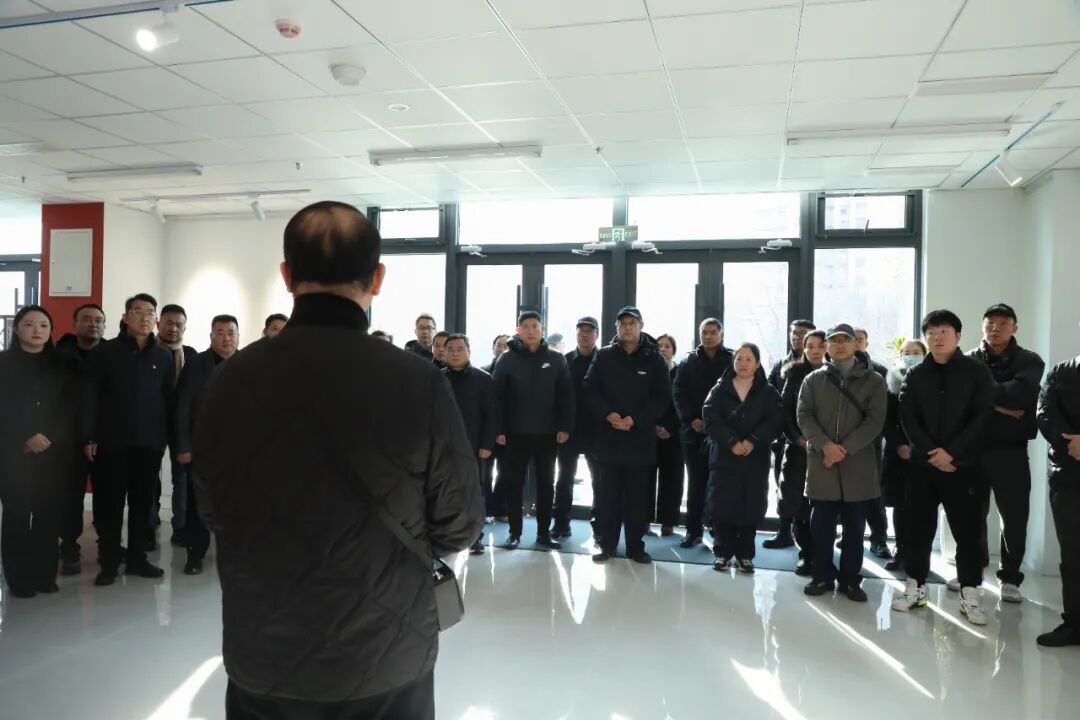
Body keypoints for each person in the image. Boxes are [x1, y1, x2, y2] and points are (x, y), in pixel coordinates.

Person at [193, 201, 483, 719]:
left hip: (266, 644)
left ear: (287, 275)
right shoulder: (417, 381)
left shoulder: (231, 378)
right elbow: (460, 522)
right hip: (386, 647)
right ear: (377, 278)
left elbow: (212, 505)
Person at [892, 310, 995, 626]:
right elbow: (907, 417)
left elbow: (982, 417)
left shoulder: (977, 372)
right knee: (917, 531)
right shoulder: (916, 374)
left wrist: (951, 453)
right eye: (931, 333)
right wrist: (932, 453)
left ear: (958, 336)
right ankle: (916, 588)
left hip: (963, 467)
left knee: (968, 534)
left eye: (944, 332)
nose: (937, 338)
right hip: (923, 468)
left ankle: (970, 594)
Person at [82, 293, 175, 586]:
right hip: (112, 442)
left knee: (142, 504)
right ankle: (109, 562)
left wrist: (163, 438)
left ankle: (137, 558)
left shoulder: (163, 356)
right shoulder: (105, 352)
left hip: (148, 443)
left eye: (150, 312)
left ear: (156, 319)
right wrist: (89, 435)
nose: (145, 317)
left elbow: (167, 399)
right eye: (138, 311)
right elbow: (90, 397)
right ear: (125, 317)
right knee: (110, 504)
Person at [797, 324, 887, 602]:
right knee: (821, 528)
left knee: (855, 529)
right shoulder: (813, 380)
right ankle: (822, 576)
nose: (839, 345)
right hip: (822, 464)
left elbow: (875, 421)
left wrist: (843, 449)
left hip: (857, 465)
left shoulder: (874, 380)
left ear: (854, 345)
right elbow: (804, 415)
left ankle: (850, 580)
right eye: (833, 340)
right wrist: (825, 445)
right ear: (827, 346)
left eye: (844, 340)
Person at [968, 303, 1044, 604]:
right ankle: (971, 570)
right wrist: (1002, 407)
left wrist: (984, 398)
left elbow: (1022, 394)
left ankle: (1010, 578)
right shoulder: (969, 359)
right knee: (971, 514)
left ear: (1015, 328)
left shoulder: (1030, 360)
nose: (995, 328)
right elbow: (963, 399)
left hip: (1010, 450)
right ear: (982, 326)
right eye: (990, 322)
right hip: (972, 449)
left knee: (1013, 517)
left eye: (1003, 323)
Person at [0, 306, 78, 598]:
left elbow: (70, 408)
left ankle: (45, 575)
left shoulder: (64, 364)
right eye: (29, 324)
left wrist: (48, 437)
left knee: (48, 515)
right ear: (16, 328)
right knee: (17, 516)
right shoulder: (3, 363)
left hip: (54, 453)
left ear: (50, 331)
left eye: (43, 325)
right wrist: (24, 437)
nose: (36, 330)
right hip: (13, 453)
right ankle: (19, 579)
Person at [584, 307, 671, 564]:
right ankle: (606, 545)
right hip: (608, 438)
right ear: (617, 328)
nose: (627, 328)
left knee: (637, 498)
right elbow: (590, 387)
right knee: (607, 497)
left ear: (641, 326)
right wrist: (607, 413)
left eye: (632, 323)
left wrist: (636, 419)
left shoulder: (654, 358)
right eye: (623, 324)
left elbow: (662, 397)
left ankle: (635, 547)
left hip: (639, 440)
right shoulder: (604, 356)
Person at [492, 311, 573, 550]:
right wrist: (498, 429)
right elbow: (496, 398)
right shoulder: (507, 358)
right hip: (515, 434)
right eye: (525, 327)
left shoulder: (556, 359)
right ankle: (514, 533)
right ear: (518, 331)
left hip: (547, 434)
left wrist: (565, 427)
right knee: (513, 484)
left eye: (534, 326)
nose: (530, 330)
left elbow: (567, 397)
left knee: (546, 485)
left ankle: (543, 534)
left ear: (542, 329)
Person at [703, 343, 783, 574]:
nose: (743, 363)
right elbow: (710, 417)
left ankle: (745, 555)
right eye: (739, 358)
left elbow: (775, 421)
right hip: (724, 456)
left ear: (757, 364)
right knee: (722, 504)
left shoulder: (768, 392)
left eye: (749, 359)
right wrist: (731, 441)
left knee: (751, 504)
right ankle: (722, 553)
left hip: (754, 457)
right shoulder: (720, 388)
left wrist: (752, 441)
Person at [174, 315, 240, 576]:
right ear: (211, 336)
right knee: (197, 504)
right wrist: (183, 445)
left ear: (238, 336)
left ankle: (233, 554)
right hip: (201, 448)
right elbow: (182, 406)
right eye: (220, 333)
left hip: (237, 451)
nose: (226, 338)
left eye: (231, 333)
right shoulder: (196, 364)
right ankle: (195, 554)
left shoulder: (247, 364)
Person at [55, 303, 106, 576]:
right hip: (69, 440)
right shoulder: (58, 356)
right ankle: (69, 547)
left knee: (108, 495)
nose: (93, 324)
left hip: (106, 437)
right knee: (71, 497)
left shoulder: (112, 355)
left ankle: (107, 544)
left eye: (98, 320)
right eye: (86, 319)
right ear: (75, 324)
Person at [673, 318, 733, 549]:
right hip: (693, 432)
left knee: (720, 485)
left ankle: (719, 531)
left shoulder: (731, 359)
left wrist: (718, 424)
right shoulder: (688, 360)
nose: (708, 336)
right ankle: (693, 531)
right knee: (696, 484)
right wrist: (691, 419)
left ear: (721, 334)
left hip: (722, 434)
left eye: (712, 332)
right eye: (704, 332)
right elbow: (678, 393)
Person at [1036, 349, 1080, 647]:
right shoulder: (1061, 371)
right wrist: (1073, 444)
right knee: (1073, 555)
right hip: (1068, 476)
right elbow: (1045, 413)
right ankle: (1074, 624)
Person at [443, 333, 498, 555]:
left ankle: (475, 536)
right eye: (450, 349)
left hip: (474, 446)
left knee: (474, 493)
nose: (455, 353)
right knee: (445, 492)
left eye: (460, 349)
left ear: (469, 351)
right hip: (444, 448)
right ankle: (448, 535)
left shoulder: (483, 379)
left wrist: (487, 444)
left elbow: (493, 415)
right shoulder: (437, 378)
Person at [765, 319, 816, 549]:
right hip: (786, 439)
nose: (796, 337)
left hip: (815, 442)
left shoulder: (823, 367)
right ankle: (784, 531)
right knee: (785, 489)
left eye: (802, 333)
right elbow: (772, 397)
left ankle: (809, 541)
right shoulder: (781, 365)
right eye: (793, 333)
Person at [779, 329, 826, 576]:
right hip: (799, 450)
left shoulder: (834, 374)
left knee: (824, 506)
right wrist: (798, 438)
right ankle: (806, 554)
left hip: (827, 451)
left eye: (820, 346)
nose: (815, 351)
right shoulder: (794, 373)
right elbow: (785, 412)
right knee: (799, 505)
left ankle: (822, 555)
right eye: (810, 346)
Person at [881, 339, 927, 573]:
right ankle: (900, 550)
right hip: (898, 454)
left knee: (922, 507)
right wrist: (899, 444)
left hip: (925, 453)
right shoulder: (891, 381)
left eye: (916, 352)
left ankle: (919, 555)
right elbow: (887, 419)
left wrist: (920, 445)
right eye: (906, 352)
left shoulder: (931, 378)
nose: (911, 355)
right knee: (900, 505)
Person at [552, 317, 600, 539]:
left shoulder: (605, 359)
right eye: (581, 331)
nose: (585, 335)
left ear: (597, 335)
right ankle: (561, 523)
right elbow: (557, 396)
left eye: (589, 331)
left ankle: (600, 525)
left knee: (599, 480)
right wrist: (560, 426)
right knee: (564, 478)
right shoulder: (565, 360)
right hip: (568, 428)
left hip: (596, 429)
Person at [157, 304, 198, 551]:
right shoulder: (149, 352)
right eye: (169, 323)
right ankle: (149, 523)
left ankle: (181, 527)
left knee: (181, 478)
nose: (173, 328)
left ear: (185, 327)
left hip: (181, 426)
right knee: (150, 477)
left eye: (178, 324)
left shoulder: (191, 355)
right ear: (158, 324)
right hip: (153, 424)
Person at [853, 326, 892, 559]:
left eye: (859, 339)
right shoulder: (836, 370)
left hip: (871, 442)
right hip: (843, 443)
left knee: (873, 493)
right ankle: (850, 536)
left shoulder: (879, 371)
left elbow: (881, 410)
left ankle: (879, 538)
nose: (855, 343)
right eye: (852, 339)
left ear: (866, 344)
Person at [651, 333, 684, 537]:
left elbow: (683, 403)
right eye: (659, 346)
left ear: (673, 351)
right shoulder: (650, 370)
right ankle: (644, 519)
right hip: (649, 431)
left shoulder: (681, 372)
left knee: (672, 479)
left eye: (667, 346)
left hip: (674, 434)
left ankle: (668, 521)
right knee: (646, 479)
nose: (663, 349)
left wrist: (669, 428)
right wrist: (655, 426)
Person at [481, 334, 512, 519]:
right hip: (486, 429)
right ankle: (486, 509)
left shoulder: (516, 372)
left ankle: (500, 508)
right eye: (499, 345)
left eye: (506, 346)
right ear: (493, 348)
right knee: (485, 472)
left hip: (508, 430)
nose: (502, 349)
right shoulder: (483, 372)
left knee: (505, 471)